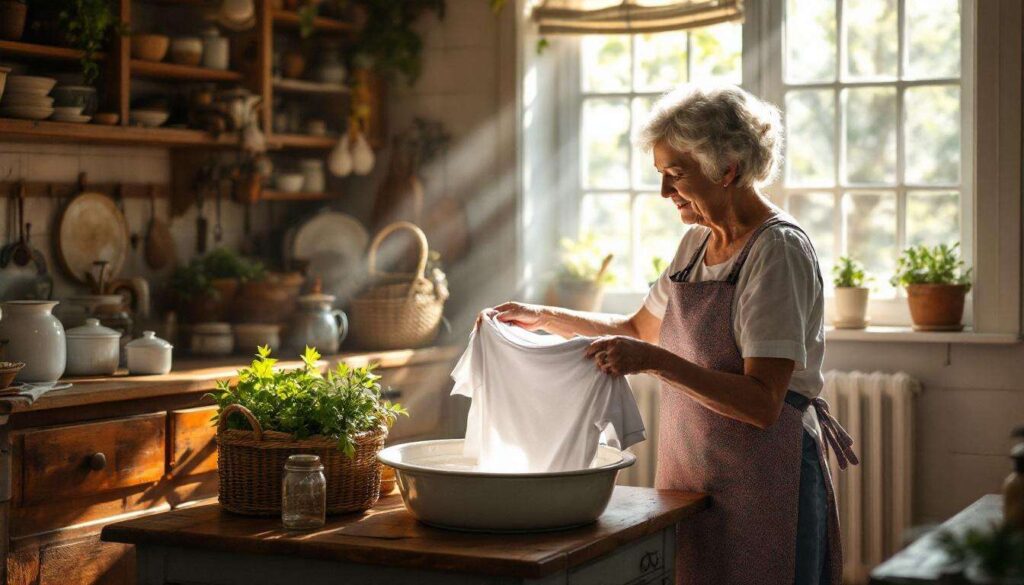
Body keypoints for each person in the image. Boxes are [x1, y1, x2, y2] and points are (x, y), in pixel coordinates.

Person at [482, 83, 857, 585]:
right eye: (662, 174)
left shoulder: (777, 251)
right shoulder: (694, 245)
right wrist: (542, 316)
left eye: (676, 175)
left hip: (770, 476)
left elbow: (763, 402)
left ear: (728, 170)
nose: (664, 192)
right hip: (696, 472)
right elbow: (637, 329)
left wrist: (653, 361)